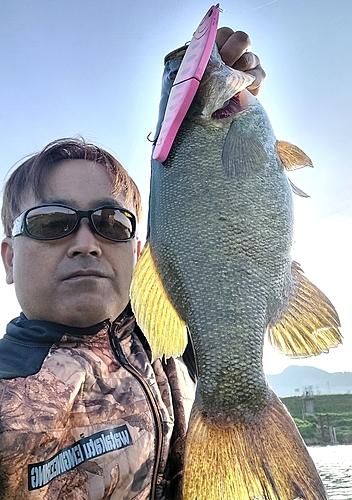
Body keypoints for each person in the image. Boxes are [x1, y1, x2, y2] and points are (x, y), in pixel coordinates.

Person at [0, 29, 265, 500]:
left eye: (111, 222)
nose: (86, 243)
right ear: (9, 258)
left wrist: (220, 118)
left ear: (141, 255)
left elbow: (218, 243)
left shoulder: (175, 337)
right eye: (51, 222)